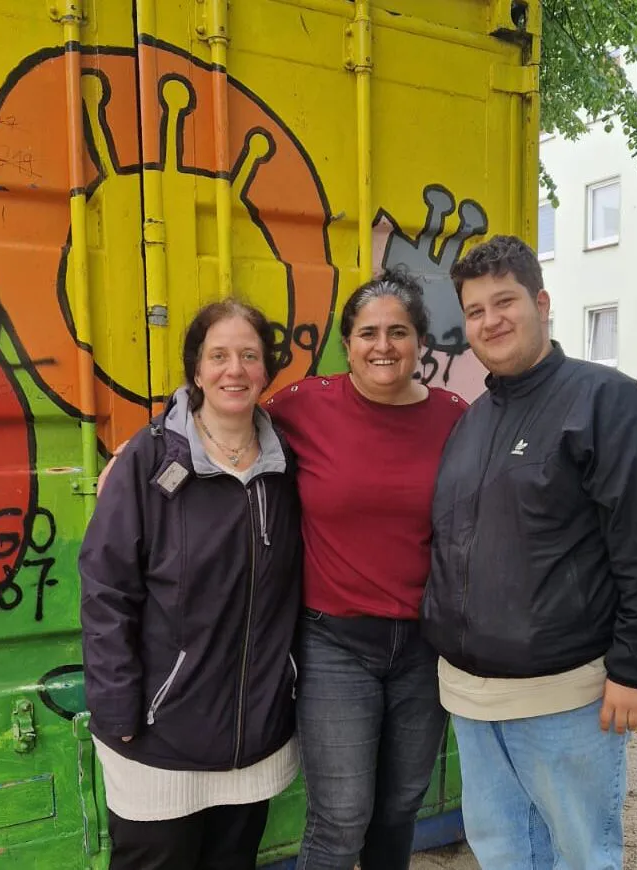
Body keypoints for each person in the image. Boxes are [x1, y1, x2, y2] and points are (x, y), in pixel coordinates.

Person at [420, 235, 637, 870]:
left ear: (541, 304)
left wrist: (636, 670)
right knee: (503, 851)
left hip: (564, 695)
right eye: (476, 310)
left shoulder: (606, 402)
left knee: (579, 854)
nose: (491, 320)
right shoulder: (472, 420)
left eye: (505, 302)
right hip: (470, 694)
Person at [79, 300, 303, 870]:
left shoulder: (288, 463)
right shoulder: (149, 459)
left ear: (266, 369)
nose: (235, 370)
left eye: (249, 355)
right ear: (196, 370)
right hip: (158, 734)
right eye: (218, 355)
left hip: (254, 733)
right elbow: (107, 589)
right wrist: (116, 705)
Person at [264, 268, 468, 869]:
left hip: (424, 645)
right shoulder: (305, 405)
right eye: (368, 333)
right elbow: (220, 416)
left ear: (420, 342)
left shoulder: (454, 416)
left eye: (398, 332)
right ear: (348, 345)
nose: (384, 345)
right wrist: (146, 448)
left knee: (401, 805)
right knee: (341, 817)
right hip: (335, 642)